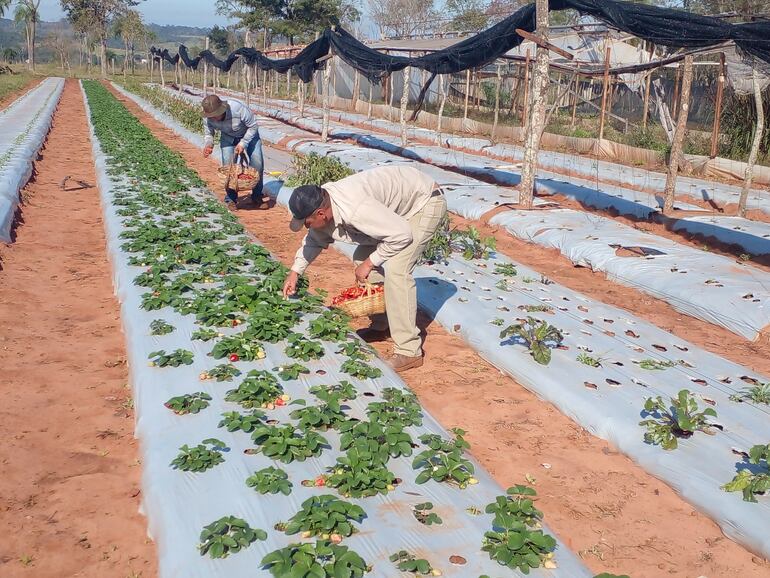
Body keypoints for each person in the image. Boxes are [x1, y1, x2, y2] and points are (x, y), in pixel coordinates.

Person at [282, 165, 447, 373]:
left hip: (423, 202)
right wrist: (295, 272)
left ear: (321, 213)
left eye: (307, 223)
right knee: (362, 256)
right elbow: (314, 240)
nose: (306, 227)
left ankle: (409, 351)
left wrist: (370, 263)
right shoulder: (326, 204)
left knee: (397, 269)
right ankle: (381, 325)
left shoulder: (355, 209)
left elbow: (402, 234)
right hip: (394, 212)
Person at [201, 94, 264, 207]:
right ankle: (231, 199)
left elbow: (253, 126)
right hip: (227, 137)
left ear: (222, 109)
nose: (214, 118)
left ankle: (257, 196)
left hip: (249, 135)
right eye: (211, 116)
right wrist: (208, 144)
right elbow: (208, 133)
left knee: (257, 163)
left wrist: (243, 143)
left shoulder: (237, 108)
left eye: (216, 115)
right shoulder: (207, 118)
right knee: (228, 167)